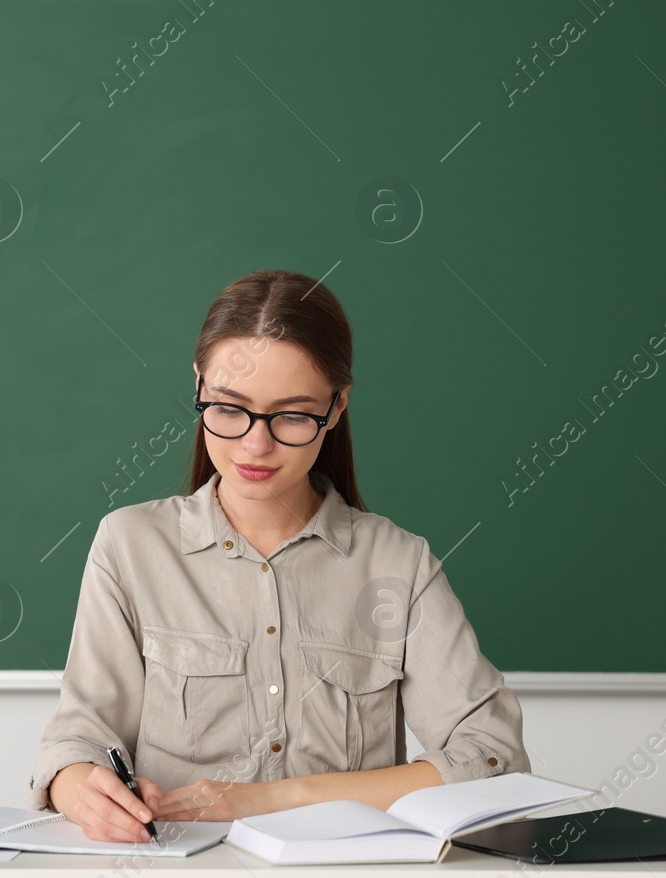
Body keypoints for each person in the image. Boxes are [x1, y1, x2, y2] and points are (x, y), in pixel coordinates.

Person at [30, 270, 529, 842]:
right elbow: (77, 741)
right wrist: (81, 787)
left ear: (336, 407)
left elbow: (494, 758)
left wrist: (275, 800)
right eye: (228, 408)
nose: (255, 444)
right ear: (198, 385)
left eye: (292, 415)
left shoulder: (399, 564)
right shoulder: (130, 544)